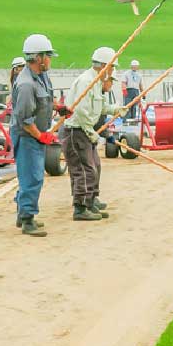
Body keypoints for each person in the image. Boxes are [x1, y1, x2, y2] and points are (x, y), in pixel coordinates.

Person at [60, 47, 127, 221]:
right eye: (112, 67)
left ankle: (90, 200)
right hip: (77, 131)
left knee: (95, 166)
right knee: (84, 170)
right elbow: (81, 112)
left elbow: (102, 106)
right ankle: (81, 207)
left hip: (84, 131)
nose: (113, 71)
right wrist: (91, 133)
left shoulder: (96, 82)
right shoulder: (86, 81)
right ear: (104, 66)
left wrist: (117, 110)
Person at [10, 34, 58, 237]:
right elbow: (25, 120)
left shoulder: (41, 77)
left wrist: (59, 108)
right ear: (38, 58)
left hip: (35, 134)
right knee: (32, 177)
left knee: (32, 175)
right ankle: (28, 218)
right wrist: (41, 136)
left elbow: (45, 101)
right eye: (48, 56)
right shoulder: (26, 85)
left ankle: (23, 214)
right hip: (28, 135)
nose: (50, 60)